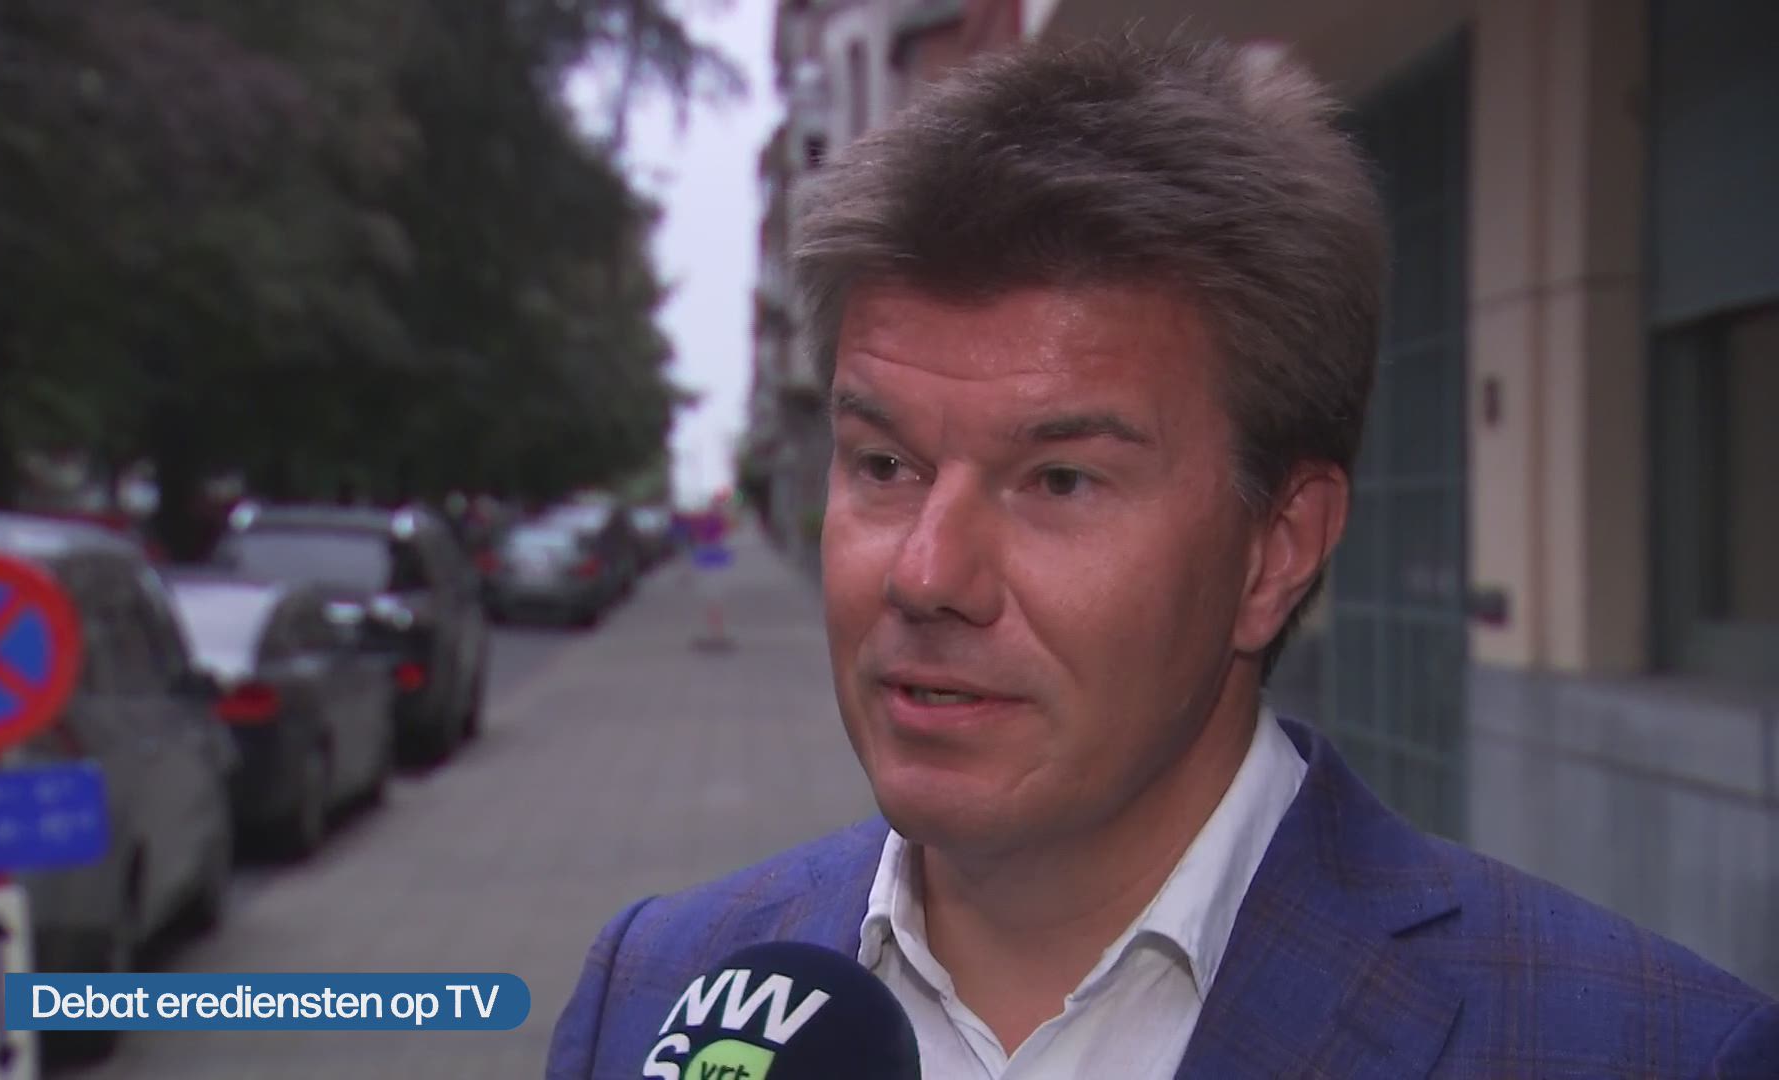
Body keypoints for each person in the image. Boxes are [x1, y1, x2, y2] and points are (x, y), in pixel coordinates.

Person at [547, 33, 1779, 1079]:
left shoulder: (1642, 1049)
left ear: (1275, 551)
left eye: (1060, 480)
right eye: (883, 464)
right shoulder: (651, 991)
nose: (924, 575)